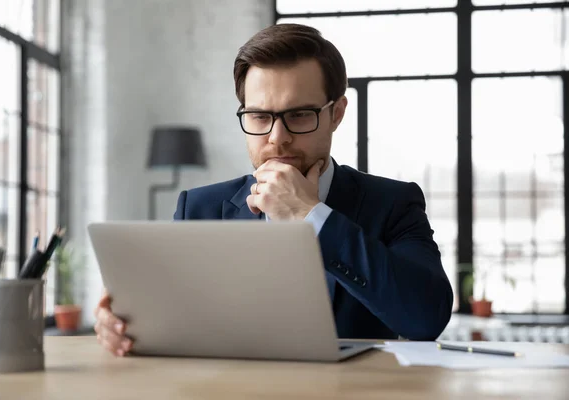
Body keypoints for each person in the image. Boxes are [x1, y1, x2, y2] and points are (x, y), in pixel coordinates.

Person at [94, 23, 453, 357]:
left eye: (299, 115)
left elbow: (426, 319)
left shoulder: (392, 203)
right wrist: (120, 324)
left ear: (337, 113)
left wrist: (311, 215)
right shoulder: (199, 208)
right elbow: (167, 318)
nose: (277, 138)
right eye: (260, 117)